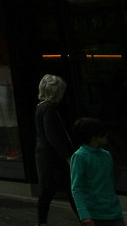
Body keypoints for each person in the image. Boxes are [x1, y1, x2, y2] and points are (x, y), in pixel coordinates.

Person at [36, 74, 80, 226]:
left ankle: (42, 221)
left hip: (46, 155)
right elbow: (52, 134)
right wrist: (66, 156)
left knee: (49, 190)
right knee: (68, 188)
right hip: (52, 156)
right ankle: (83, 219)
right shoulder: (49, 108)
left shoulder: (42, 107)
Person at [70, 118, 125, 226]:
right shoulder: (80, 156)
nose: (107, 135)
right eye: (103, 133)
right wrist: (84, 214)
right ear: (94, 136)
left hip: (114, 212)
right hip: (94, 214)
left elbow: (110, 182)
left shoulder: (106, 155)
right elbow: (76, 188)